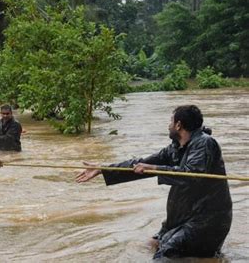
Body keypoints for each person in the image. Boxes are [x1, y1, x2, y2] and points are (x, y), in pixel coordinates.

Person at [76, 105, 232, 259]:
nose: (168, 125)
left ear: (178, 125)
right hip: (182, 217)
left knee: (165, 253)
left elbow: (192, 175)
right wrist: (104, 169)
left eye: (171, 121)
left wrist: (154, 167)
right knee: (150, 245)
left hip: (207, 220)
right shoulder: (176, 148)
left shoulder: (204, 143)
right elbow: (142, 164)